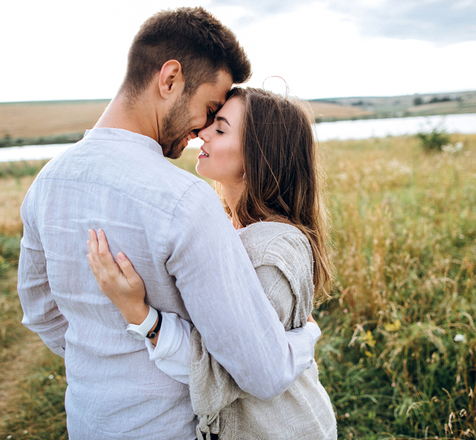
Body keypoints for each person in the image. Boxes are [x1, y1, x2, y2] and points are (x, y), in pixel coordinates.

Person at [17, 8, 321, 439]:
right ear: (170, 79)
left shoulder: (45, 185)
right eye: (209, 108)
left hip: (88, 422)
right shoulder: (184, 201)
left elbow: (40, 311)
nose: (201, 130)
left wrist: (105, 360)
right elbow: (264, 372)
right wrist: (306, 340)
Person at [87, 87, 338, 439]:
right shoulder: (228, 227)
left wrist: (139, 315)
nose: (202, 133)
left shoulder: (271, 250)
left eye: (220, 129)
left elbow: (234, 370)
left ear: (258, 155)